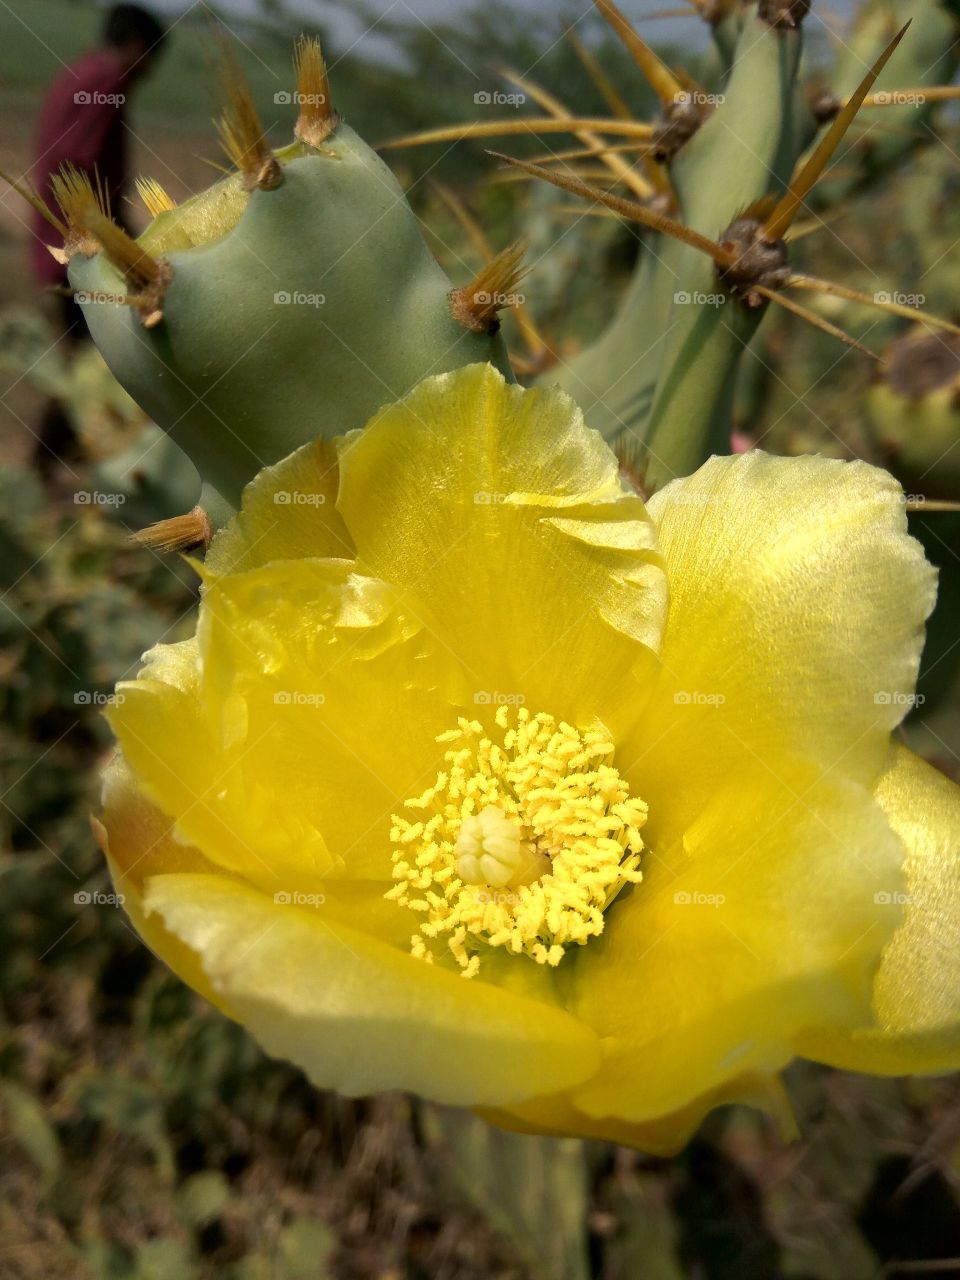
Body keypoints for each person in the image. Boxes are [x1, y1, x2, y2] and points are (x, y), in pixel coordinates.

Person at [27, 4, 165, 476]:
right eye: (151, 57)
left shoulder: (79, 73)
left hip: (59, 241)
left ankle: (53, 469)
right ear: (136, 47)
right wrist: (122, 241)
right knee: (88, 366)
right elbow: (79, 165)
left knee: (84, 360)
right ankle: (44, 469)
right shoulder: (107, 82)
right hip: (78, 250)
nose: (150, 71)